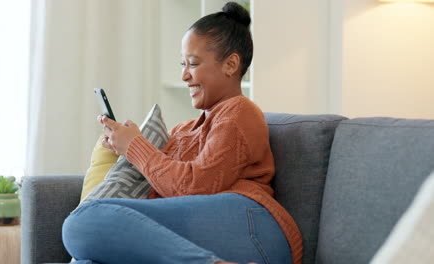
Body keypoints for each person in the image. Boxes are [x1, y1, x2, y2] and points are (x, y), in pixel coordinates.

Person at [62, 2, 302, 264]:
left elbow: (193, 187)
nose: (184, 75)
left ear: (231, 64)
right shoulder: (182, 130)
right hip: (210, 235)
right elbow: (164, 186)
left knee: (83, 221)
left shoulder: (238, 112)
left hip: (253, 229)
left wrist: (135, 147)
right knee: (88, 253)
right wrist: (124, 150)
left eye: (193, 64)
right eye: (182, 64)